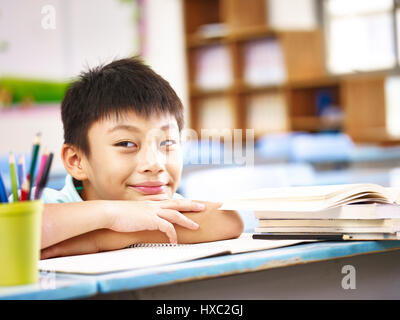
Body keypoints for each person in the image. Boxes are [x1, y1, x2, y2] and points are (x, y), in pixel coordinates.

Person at [40, 57, 243, 259]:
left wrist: (100, 238)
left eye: (167, 143)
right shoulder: (43, 202)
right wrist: (112, 214)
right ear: (76, 161)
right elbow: (14, 232)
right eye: (127, 144)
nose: (154, 164)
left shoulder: (161, 205)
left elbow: (227, 219)